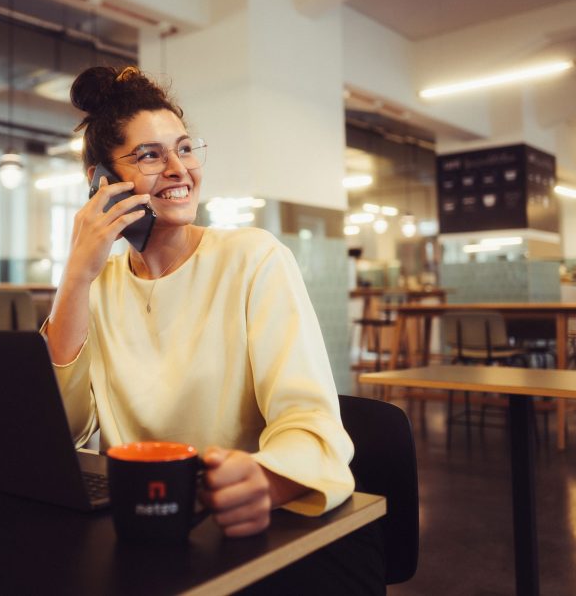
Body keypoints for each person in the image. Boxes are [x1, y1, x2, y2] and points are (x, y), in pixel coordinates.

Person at [43, 65, 383, 593]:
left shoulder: (253, 257)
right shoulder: (98, 285)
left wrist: (267, 479)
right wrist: (75, 276)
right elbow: (64, 431)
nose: (180, 169)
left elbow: (308, 417)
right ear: (100, 182)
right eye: (151, 155)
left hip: (241, 538)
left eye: (185, 148)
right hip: (139, 532)